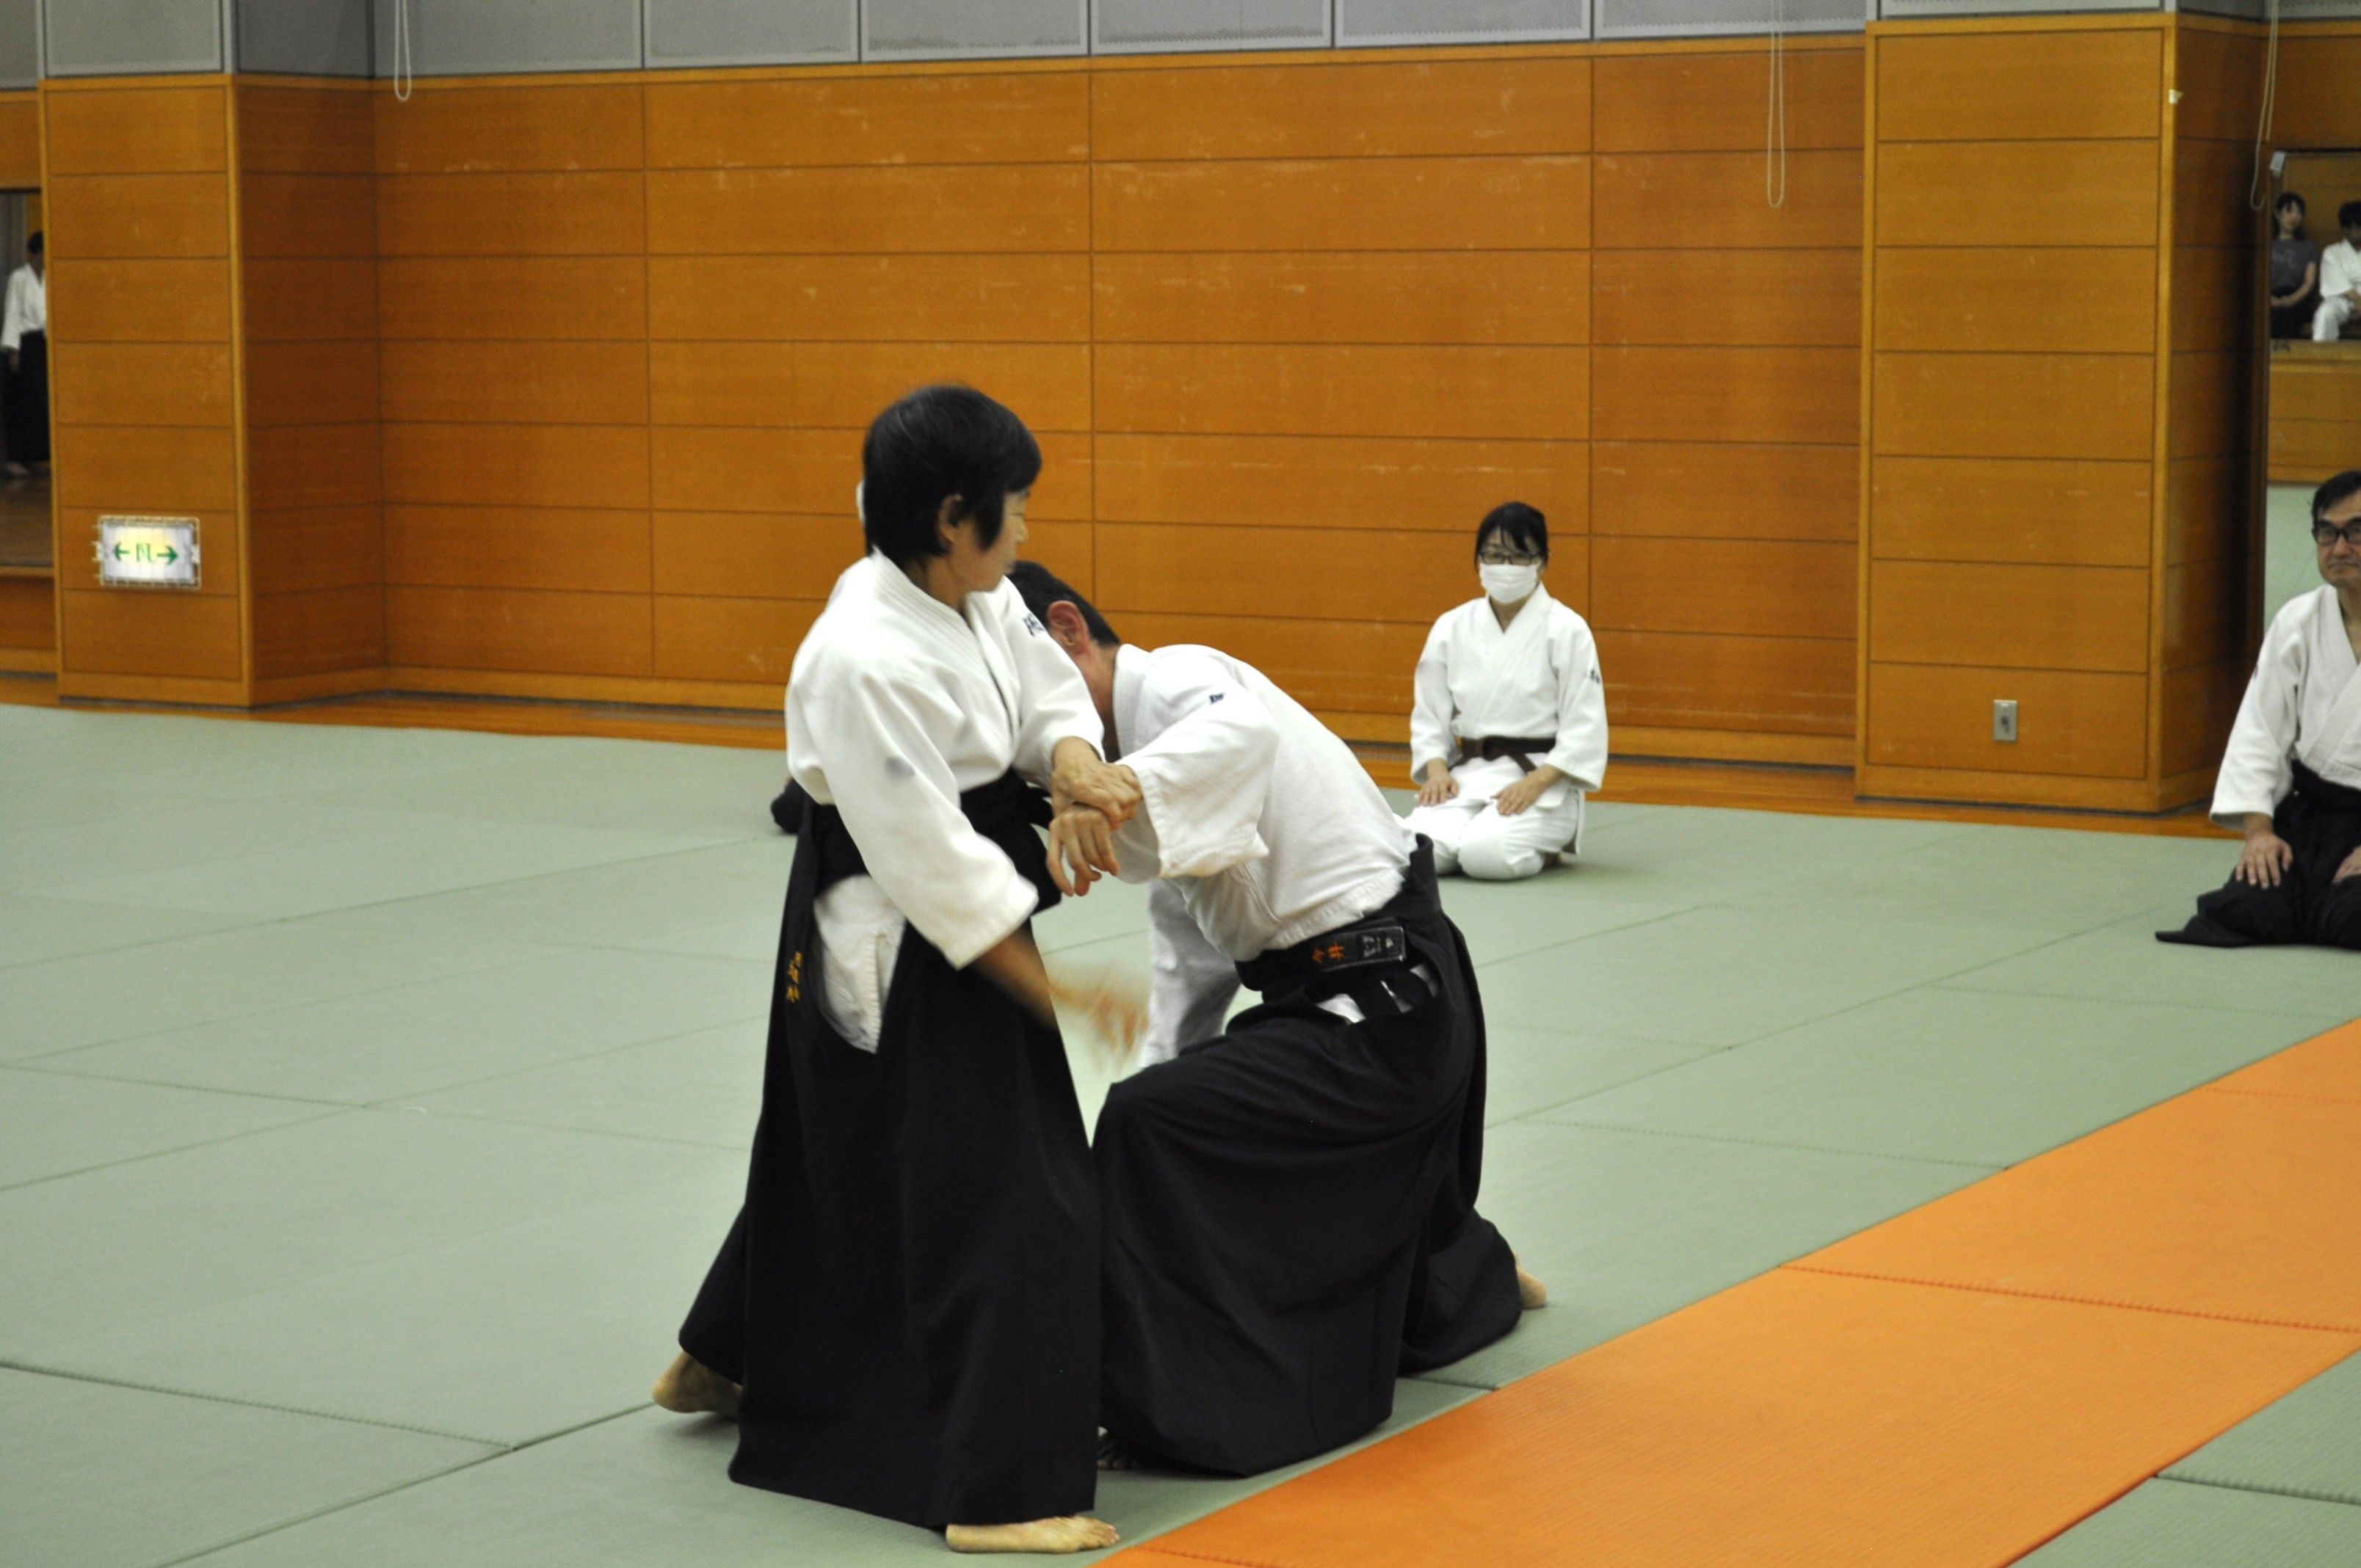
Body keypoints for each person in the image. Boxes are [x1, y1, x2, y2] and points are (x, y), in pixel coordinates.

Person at [653, 387, 1144, 1556]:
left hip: (951, 885)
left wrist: (1075, 762)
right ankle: (994, 1492)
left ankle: (723, 1355)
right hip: (889, 925)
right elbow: (931, 866)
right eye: (1013, 509)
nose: (1027, 530)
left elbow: (1043, 688)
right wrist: (1063, 993)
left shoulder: (969, 591)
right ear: (951, 518)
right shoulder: (860, 657)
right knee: (1010, 1193)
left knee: (854, 1143)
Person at [1006, 561, 1541, 1480]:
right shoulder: (1167, 771)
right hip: (1392, 998)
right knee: (1168, 1108)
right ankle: (1466, 1272)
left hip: (1385, 1012)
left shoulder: (1177, 680)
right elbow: (1193, 940)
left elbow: (1239, 735)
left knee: (1143, 1126)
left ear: (1067, 633)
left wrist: (1110, 783)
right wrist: (1169, 1066)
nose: (1043, 747)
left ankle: (1181, 1411)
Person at [2160, 469, 2361, 951]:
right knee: (2250, 904)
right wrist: (2259, 833)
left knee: (2352, 918)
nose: (2339, 548)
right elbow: (2260, 732)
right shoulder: (2299, 621)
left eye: (2356, 532)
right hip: (2313, 822)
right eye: (2327, 533)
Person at [1405, 502, 1609, 881]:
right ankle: (1471, 831)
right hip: (1468, 776)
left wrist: (1537, 782)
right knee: (1413, 852)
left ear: (1542, 564)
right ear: (1478, 562)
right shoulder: (1452, 626)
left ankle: (1543, 848)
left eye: (1519, 557)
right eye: (1495, 556)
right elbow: (1429, 714)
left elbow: (1585, 725)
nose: (1506, 567)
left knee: (1487, 856)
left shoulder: (1567, 630)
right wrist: (1436, 771)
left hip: (1543, 780)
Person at [3, 232, 45, 476]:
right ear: (31, 254)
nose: (43, 260)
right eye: (40, 255)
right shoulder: (19, 278)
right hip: (23, 344)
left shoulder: (49, 278)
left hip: (42, 343)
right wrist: (13, 350)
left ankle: (32, 456)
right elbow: (12, 313)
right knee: (21, 402)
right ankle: (15, 458)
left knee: (38, 402)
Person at [2271, 193, 2321, 342]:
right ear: (2277, 214)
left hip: (2298, 296)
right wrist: (2269, 299)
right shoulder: (2266, 243)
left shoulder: (2309, 247)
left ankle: (2287, 355)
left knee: (2290, 313)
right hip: (2269, 294)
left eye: (2299, 212)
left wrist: (2292, 299)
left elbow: (2309, 282)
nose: (2294, 217)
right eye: (2289, 211)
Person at [2311, 200, 2361, 344]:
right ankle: (2321, 357)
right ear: (2345, 229)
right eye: (2357, 227)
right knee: (2325, 313)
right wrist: (2359, 302)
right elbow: (2338, 283)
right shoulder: (2332, 252)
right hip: (2343, 299)